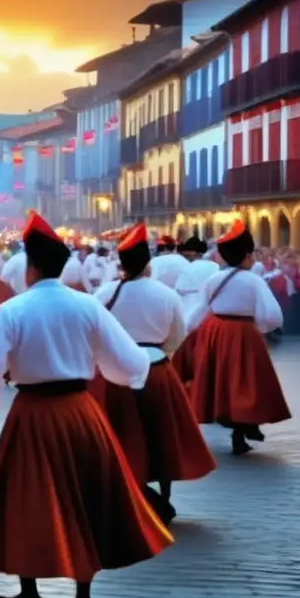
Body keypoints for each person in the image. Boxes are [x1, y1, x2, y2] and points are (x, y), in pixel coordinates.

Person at [0, 211, 172, 598]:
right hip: (80, 410)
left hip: (33, 414)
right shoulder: (86, 305)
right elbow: (129, 363)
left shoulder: (11, 310)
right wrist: (119, 373)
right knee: (84, 498)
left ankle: (30, 595)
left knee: (26, 500)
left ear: (31, 266)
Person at [92, 224, 216, 524]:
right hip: (157, 368)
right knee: (162, 433)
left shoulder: (105, 292)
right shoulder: (166, 294)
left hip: (115, 372)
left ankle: (131, 490)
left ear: (121, 264)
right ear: (147, 262)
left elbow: (93, 336)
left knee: (118, 433)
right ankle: (164, 494)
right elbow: (177, 338)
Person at [183, 220, 290, 455]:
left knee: (221, 380)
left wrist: (192, 332)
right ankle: (242, 429)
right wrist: (260, 328)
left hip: (216, 331)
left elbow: (198, 311)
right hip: (243, 333)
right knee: (246, 382)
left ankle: (231, 422)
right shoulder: (253, 280)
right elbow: (271, 315)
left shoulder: (213, 280)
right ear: (246, 255)